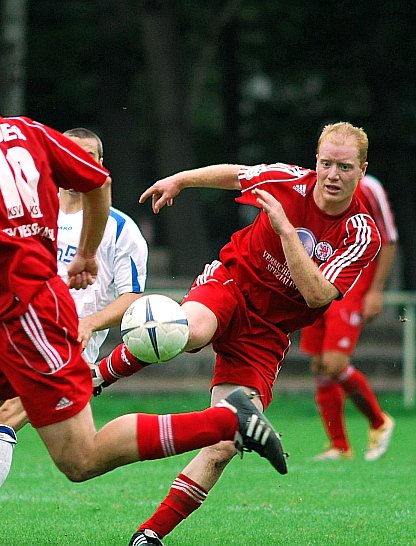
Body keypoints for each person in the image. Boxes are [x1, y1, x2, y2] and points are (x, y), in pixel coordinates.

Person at [0, 34, 286, 546]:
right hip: (5, 314)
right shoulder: (26, 131)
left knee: (81, 457)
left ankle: (226, 421)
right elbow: (99, 180)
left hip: (29, 316)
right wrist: (84, 255)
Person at [92, 122, 382, 546]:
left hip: (268, 333)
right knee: (187, 329)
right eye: (326, 163)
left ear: (362, 170)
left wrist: (286, 232)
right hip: (231, 284)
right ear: (315, 161)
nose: (332, 175)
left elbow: (318, 295)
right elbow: (237, 174)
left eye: (344, 166)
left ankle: (149, 535)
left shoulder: (361, 233)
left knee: (225, 442)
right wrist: (181, 180)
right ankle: (98, 376)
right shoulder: (288, 180)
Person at [0, 128, 150, 545]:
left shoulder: (120, 229)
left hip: (68, 348)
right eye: (73, 154)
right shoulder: (34, 214)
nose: (80, 162)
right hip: (15, 332)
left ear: (101, 167)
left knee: (3, 417)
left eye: (91, 156)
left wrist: (90, 324)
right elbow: (9, 272)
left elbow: (133, 298)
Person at [300, 173, 397, 461]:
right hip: (320, 283)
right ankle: (339, 446)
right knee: (319, 365)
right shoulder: (314, 186)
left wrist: (376, 291)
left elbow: (389, 240)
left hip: (353, 285)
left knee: (334, 363)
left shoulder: (370, 188)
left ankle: (379, 421)